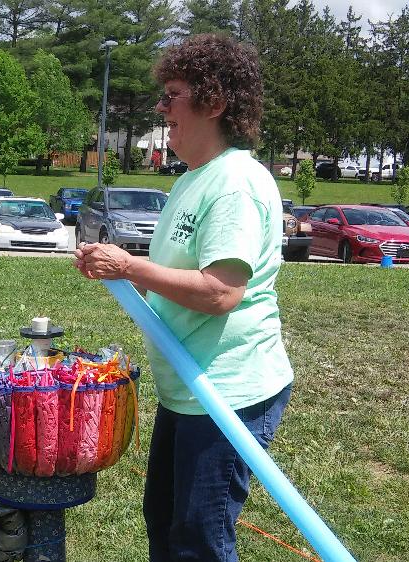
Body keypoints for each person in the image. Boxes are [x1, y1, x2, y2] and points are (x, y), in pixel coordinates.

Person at [74, 34, 294, 562]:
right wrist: (123, 271)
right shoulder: (193, 180)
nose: (161, 108)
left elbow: (221, 291)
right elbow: (171, 275)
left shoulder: (236, 183)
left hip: (228, 391)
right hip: (188, 388)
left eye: (172, 95)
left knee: (198, 540)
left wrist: (128, 266)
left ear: (214, 103)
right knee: (167, 524)